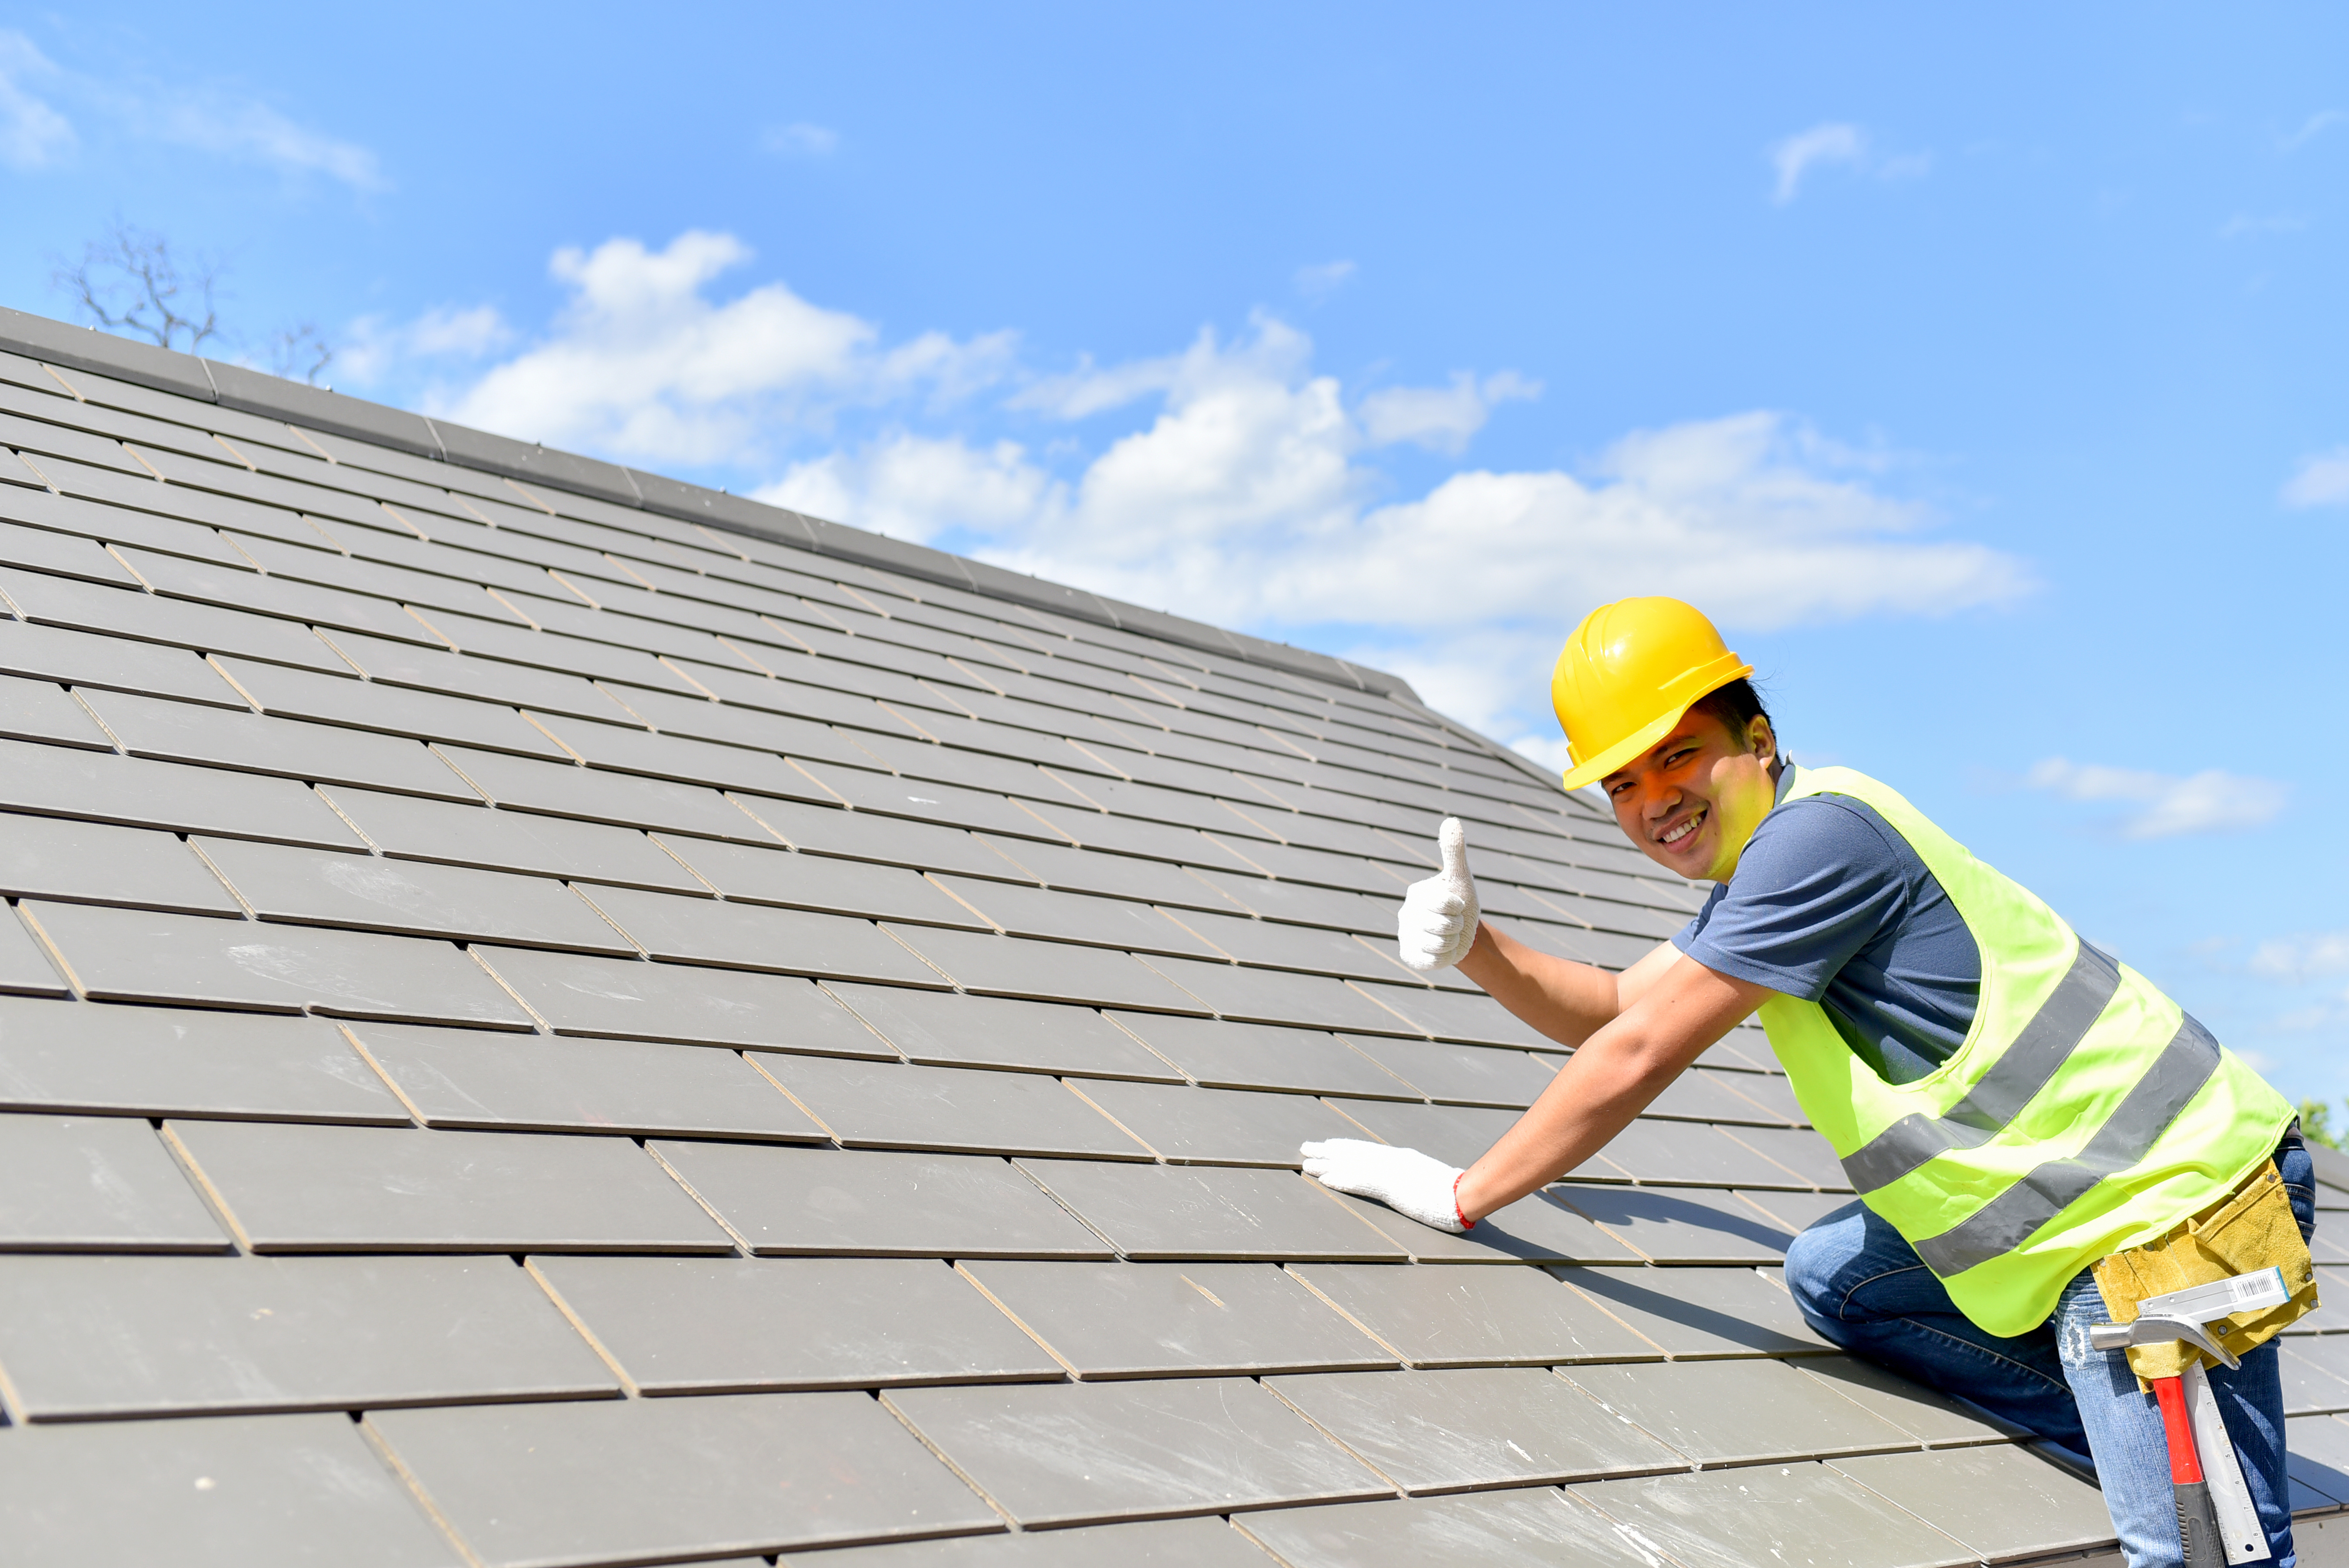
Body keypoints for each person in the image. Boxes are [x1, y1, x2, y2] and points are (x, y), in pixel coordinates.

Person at [1302, 596, 2316, 1568]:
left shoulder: (1815, 843)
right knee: (1840, 1280)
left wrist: (1463, 1194)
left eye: (1678, 755)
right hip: (2075, 1212)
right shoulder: (1765, 869)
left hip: (2166, 1214)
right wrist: (1478, 943)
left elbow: (1639, 1053)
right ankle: (2158, 1437)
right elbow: (1617, 1005)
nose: (1654, 801)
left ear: (1758, 739)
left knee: (2195, 1552)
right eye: (1622, 784)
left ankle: (2196, 1487)